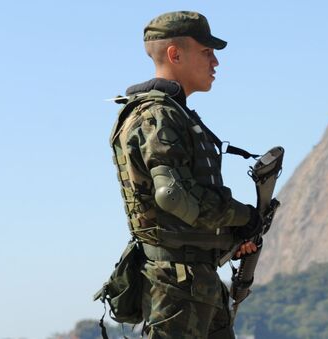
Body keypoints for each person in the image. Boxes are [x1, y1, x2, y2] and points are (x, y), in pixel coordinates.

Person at [109, 11, 262, 338]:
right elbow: (173, 196)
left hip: (194, 283)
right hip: (178, 288)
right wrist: (240, 215)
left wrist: (232, 237)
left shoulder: (173, 114)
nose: (216, 62)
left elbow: (183, 212)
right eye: (207, 51)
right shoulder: (158, 115)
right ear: (174, 54)